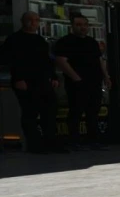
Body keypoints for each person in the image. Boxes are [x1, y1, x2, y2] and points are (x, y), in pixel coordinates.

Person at [2, 12, 64, 154]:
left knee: (49, 111)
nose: (33, 23)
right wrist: (18, 78)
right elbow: (10, 60)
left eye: (36, 20)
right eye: (29, 20)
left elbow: (47, 61)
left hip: (42, 81)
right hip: (25, 81)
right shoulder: (14, 39)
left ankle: (50, 142)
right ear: (23, 21)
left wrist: (53, 77)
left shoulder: (40, 40)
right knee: (30, 113)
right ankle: (35, 145)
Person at [55, 13, 111, 151]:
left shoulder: (92, 42)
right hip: (76, 83)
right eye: (79, 25)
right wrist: (76, 78)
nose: (83, 27)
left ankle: (93, 140)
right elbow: (61, 61)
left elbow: (100, 60)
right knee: (76, 111)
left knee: (93, 112)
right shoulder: (65, 42)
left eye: (85, 25)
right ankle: (74, 140)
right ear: (72, 26)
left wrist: (106, 76)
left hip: (94, 82)